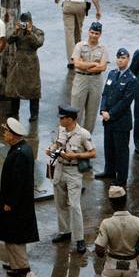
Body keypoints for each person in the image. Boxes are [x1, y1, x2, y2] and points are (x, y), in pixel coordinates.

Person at [0, 117, 37, 277]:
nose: (4, 134)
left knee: (15, 236)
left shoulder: (20, 154)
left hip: (16, 204)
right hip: (17, 202)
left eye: (6, 132)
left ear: (13, 135)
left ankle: (22, 266)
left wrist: (10, 202)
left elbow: (18, 182)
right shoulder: (21, 149)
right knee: (10, 234)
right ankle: (15, 263)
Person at [48, 105, 96, 254]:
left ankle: (79, 238)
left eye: (62, 118)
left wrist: (75, 156)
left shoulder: (83, 134)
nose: (60, 120)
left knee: (74, 206)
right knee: (60, 202)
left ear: (70, 119)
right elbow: (58, 143)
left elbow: (92, 153)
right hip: (60, 168)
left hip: (74, 171)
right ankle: (65, 231)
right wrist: (51, 148)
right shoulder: (61, 129)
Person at [96, 47, 136, 186]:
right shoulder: (112, 74)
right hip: (108, 119)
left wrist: (110, 114)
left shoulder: (131, 79)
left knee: (121, 152)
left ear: (128, 59)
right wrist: (102, 110)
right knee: (109, 148)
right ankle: (109, 171)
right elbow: (105, 94)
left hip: (120, 121)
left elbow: (125, 102)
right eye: (119, 58)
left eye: (123, 58)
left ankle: (121, 178)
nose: (120, 60)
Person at [1, 11, 43, 122]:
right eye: (23, 22)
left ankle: (34, 114)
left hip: (31, 61)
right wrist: (16, 31)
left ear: (31, 22)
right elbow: (9, 40)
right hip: (18, 60)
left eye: (27, 22)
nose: (25, 24)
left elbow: (38, 44)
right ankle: (14, 111)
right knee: (15, 86)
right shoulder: (18, 30)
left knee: (33, 88)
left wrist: (30, 33)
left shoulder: (38, 32)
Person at [70, 20, 108, 135]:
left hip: (96, 81)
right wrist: (94, 64)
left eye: (96, 33)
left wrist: (84, 65)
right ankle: (74, 137)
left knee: (92, 113)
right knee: (76, 110)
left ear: (100, 34)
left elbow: (103, 67)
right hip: (81, 79)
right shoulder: (80, 46)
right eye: (92, 32)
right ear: (88, 32)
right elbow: (76, 64)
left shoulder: (103, 48)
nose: (94, 35)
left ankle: (86, 138)